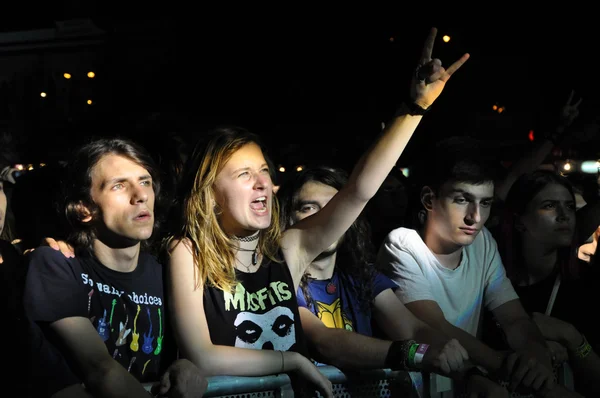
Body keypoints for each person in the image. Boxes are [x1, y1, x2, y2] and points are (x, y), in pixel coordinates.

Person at [164, 27, 470, 397]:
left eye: (264, 171)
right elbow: (202, 355)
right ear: (210, 194)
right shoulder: (188, 251)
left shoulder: (286, 250)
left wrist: (413, 110)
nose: (262, 183)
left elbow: (357, 192)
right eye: (245, 175)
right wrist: (291, 361)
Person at [376, 136, 569, 397]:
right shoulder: (402, 244)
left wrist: (535, 355)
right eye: (461, 199)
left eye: (485, 203)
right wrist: (506, 365)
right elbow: (434, 325)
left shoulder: (482, 243)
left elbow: (514, 318)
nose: (475, 217)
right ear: (429, 199)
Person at [23, 138, 207, 398]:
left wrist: (183, 365)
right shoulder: (57, 264)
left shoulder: (168, 270)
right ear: (84, 208)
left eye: (145, 182)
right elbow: (100, 370)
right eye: (119, 185)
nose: (141, 195)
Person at [277, 165, 468, 368]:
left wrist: (464, 366)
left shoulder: (360, 274)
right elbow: (326, 342)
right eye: (309, 208)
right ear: (288, 218)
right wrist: (416, 354)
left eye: (335, 208)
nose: (327, 218)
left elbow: (412, 329)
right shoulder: (282, 280)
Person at [494, 169, 600, 397]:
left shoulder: (587, 284)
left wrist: (572, 338)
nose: (564, 215)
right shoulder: (491, 281)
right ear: (519, 221)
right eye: (550, 206)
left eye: (570, 206)